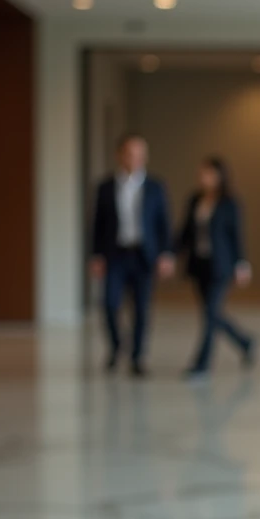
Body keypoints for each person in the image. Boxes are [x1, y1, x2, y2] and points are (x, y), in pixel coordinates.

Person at [89, 133, 174, 377]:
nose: (135, 158)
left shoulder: (156, 187)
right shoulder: (105, 187)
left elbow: (163, 223)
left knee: (141, 309)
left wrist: (166, 253)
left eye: (140, 154)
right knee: (109, 304)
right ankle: (116, 348)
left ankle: (137, 357)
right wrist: (96, 255)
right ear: (119, 155)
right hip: (115, 254)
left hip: (143, 255)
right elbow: (98, 223)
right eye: (130, 153)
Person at [173, 156, 255, 376]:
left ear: (219, 176)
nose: (203, 177)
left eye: (208, 173)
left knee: (210, 314)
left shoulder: (230, 202)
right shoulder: (195, 200)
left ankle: (201, 364)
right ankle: (245, 342)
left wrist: (242, 263)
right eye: (201, 173)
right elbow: (185, 233)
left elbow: (236, 235)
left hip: (221, 266)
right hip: (199, 265)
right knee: (211, 314)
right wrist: (170, 254)